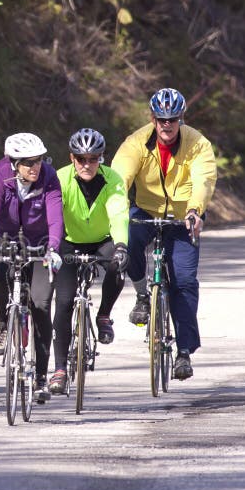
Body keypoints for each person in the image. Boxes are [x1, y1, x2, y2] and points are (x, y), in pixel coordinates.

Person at [111, 88, 217, 380]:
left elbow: (204, 179)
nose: (166, 125)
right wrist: (115, 209)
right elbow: (118, 180)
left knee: (183, 281)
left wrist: (195, 210)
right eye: (161, 119)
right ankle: (143, 294)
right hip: (146, 210)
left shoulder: (197, 143)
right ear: (153, 118)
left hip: (185, 215)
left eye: (172, 119)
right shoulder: (136, 142)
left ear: (181, 118)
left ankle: (183, 353)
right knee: (127, 241)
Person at [0, 133, 63, 401]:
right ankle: (3, 323)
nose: (35, 167)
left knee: (42, 305)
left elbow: (56, 216)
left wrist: (54, 249)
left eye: (38, 160)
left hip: (41, 243)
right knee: (0, 277)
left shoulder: (49, 178)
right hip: (7, 239)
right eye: (27, 162)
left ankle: (42, 378)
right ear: (14, 164)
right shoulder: (1, 179)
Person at [48, 128, 129, 394]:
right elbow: (53, 215)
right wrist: (53, 246)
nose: (87, 164)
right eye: (81, 159)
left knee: (118, 266)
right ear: (72, 158)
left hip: (101, 239)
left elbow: (118, 213)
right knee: (62, 303)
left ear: (101, 159)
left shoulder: (113, 179)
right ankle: (59, 369)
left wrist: (121, 246)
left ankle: (103, 315)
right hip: (68, 241)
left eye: (93, 159)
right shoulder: (58, 178)